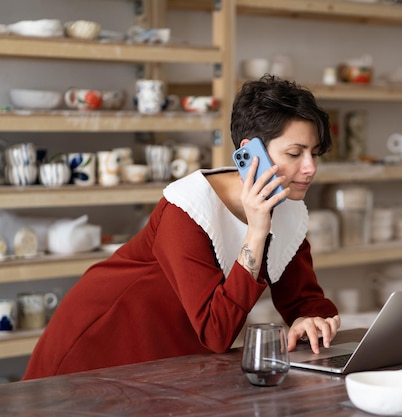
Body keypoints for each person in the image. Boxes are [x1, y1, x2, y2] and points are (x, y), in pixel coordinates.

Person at [23, 75, 340, 379]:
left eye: (314, 153)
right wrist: (257, 231)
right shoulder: (187, 207)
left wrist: (310, 319)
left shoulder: (285, 206)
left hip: (166, 363)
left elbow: (303, 298)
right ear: (249, 153)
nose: (310, 168)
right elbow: (216, 332)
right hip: (97, 345)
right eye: (295, 153)